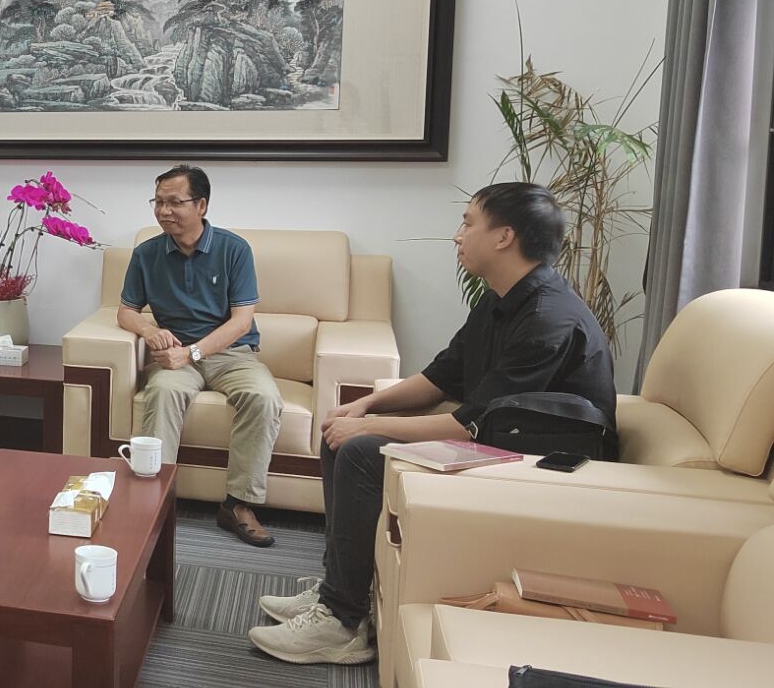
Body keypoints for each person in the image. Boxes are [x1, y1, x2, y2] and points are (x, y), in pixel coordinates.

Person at [249, 182, 615, 665]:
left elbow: (470, 425)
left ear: (504, 236)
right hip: (500, 438)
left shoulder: (547, 318)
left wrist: (368, 429)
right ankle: (338, 590)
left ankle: (341, 624)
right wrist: (364, 406)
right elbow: (440, 378)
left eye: (468, 222)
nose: (458, 235)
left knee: (360, 452)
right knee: (341, 437)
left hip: (541, 464)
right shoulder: (500, 299)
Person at [119, 165, 283, 547]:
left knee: (263, 397)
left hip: (231, 354)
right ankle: (153, 501)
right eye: (158, 202)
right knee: (163, 392)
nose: (164, 211)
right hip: (174, 354)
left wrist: (192, 353)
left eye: (175, 202)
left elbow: (242, 322)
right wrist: (149, 331)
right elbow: (125, 311)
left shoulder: (233, 249)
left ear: (201, 205)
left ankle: (238, 505)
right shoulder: (146, 253)